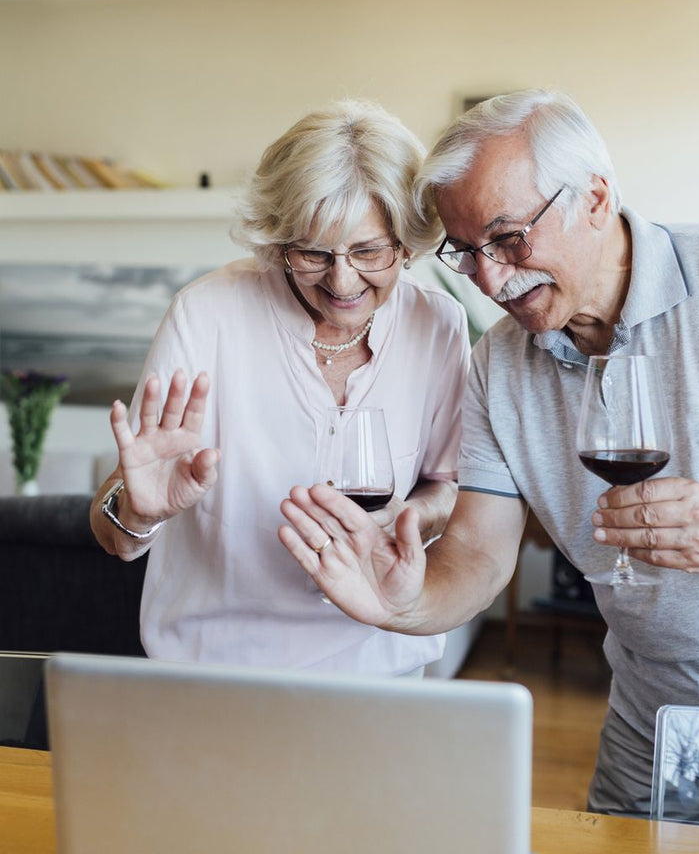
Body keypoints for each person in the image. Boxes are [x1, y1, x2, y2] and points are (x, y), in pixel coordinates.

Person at [279, 87, 699, 812]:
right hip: (652, 725)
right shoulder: (500, 365)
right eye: (465, 253)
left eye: (508, 239)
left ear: (595, 198)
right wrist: (400, 600)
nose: (492, 280)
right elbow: (475, 553)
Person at [90, 98, 470, 677]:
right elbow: (113, 532)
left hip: (383, 668)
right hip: (214, 674)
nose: (343, 281)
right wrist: (137, 513)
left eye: (369, 251)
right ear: (278, 241)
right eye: (314, 253)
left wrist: (409, 517)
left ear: (409, 243)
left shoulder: (438, 324)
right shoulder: (205, 315)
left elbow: (448, 484)